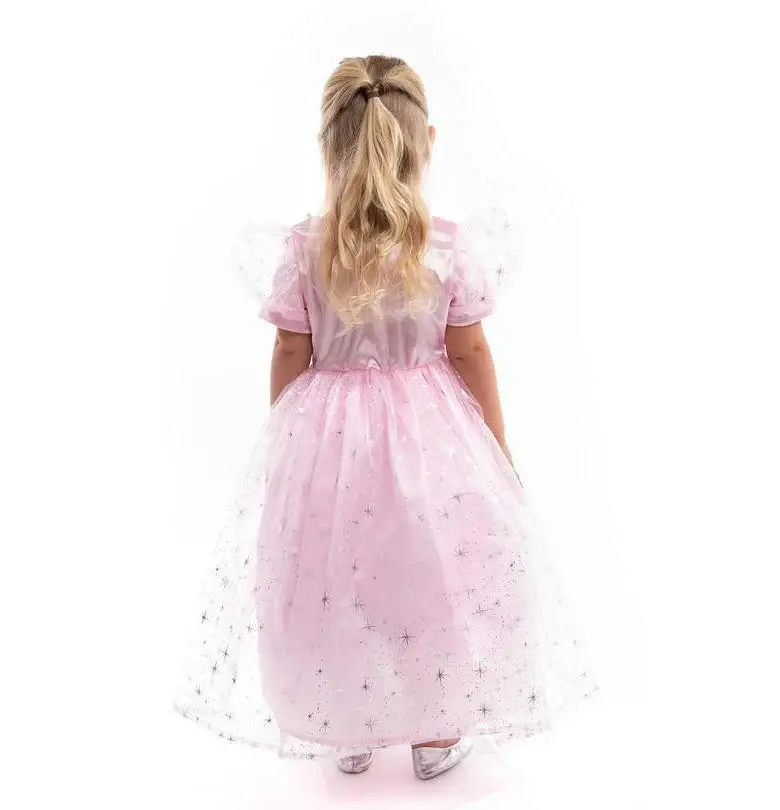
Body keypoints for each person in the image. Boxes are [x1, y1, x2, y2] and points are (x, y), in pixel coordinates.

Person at [174, 53, 597, 781]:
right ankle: (434, 732)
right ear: (426, 142)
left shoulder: (306, 250)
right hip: (434, 440)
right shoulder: (445, 246)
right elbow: (469, 351)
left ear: (326, 146)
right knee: (434, 573)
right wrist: (497, 452)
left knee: (338, 574)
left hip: (329, 440)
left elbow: (289, 348)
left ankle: (347, 726)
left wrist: (287, 442)